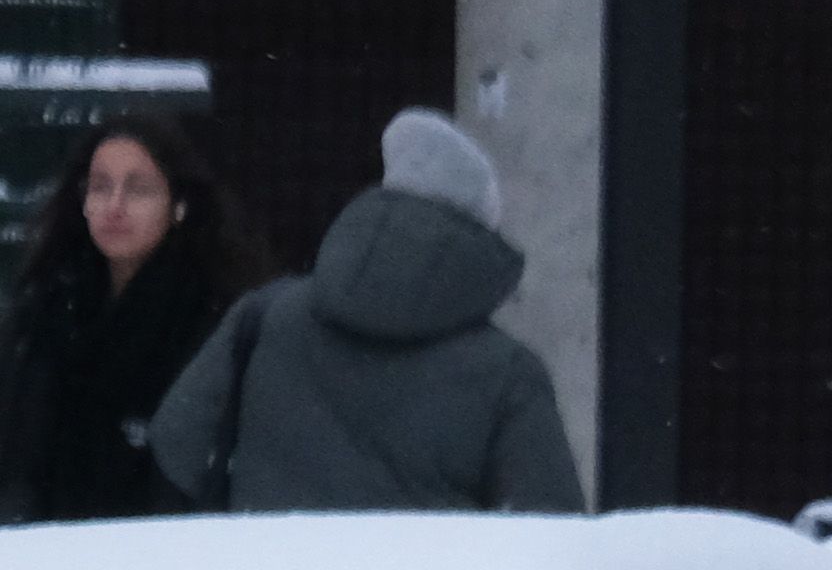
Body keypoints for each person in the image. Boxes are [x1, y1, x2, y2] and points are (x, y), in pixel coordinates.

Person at [147, 108, 581, 515]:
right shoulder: (508, 372)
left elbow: (177, 442)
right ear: (479, 242)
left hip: (269, 569)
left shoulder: (263, 318)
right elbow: (546, 527)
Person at [0, 114, 270, 523]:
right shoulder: (43, 311)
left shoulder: (215, 321)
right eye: (100, 186)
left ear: (179, 205)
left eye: (139, 189)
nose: (115, 206)